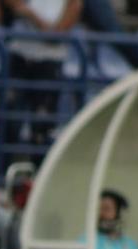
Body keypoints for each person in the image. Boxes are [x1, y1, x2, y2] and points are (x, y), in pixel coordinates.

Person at [5, 0, 83, 145]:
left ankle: (38, 166)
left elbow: (57, 36)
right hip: (19, 58)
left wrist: (30, 15)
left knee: (42, 130)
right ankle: (5, 166)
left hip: (49, 65)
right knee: (9, 125)